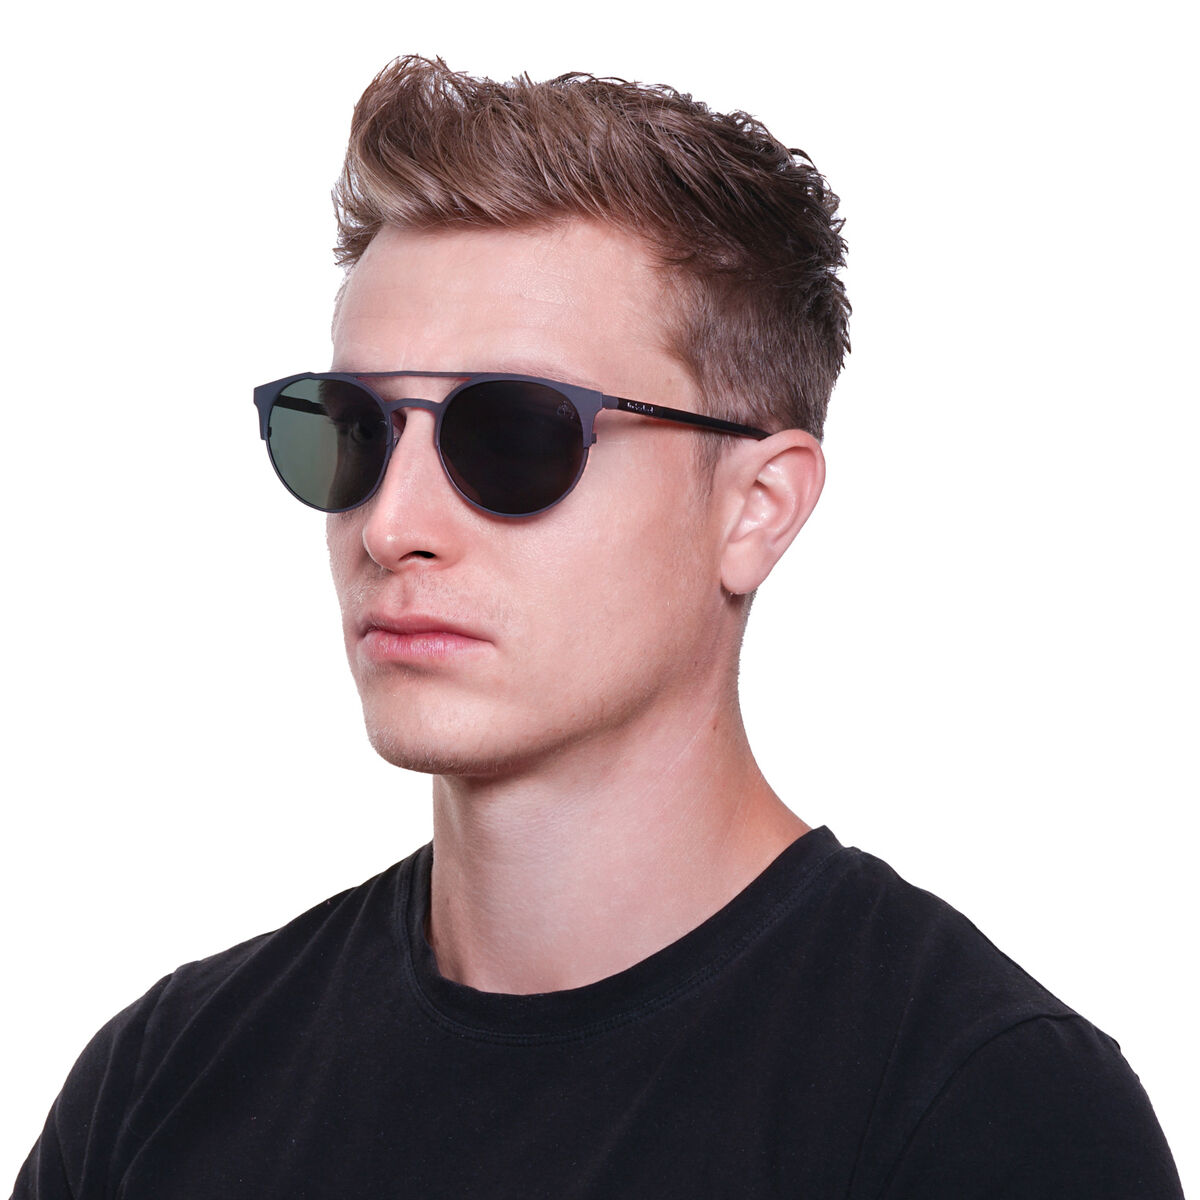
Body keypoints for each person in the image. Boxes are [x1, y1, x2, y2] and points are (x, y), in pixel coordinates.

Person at [13, 56, 1183, 1199]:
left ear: (756, 508)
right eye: (354, 427)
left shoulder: (982, 1110)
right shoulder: (161, 1083)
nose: (392, 526)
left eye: (515, 434)